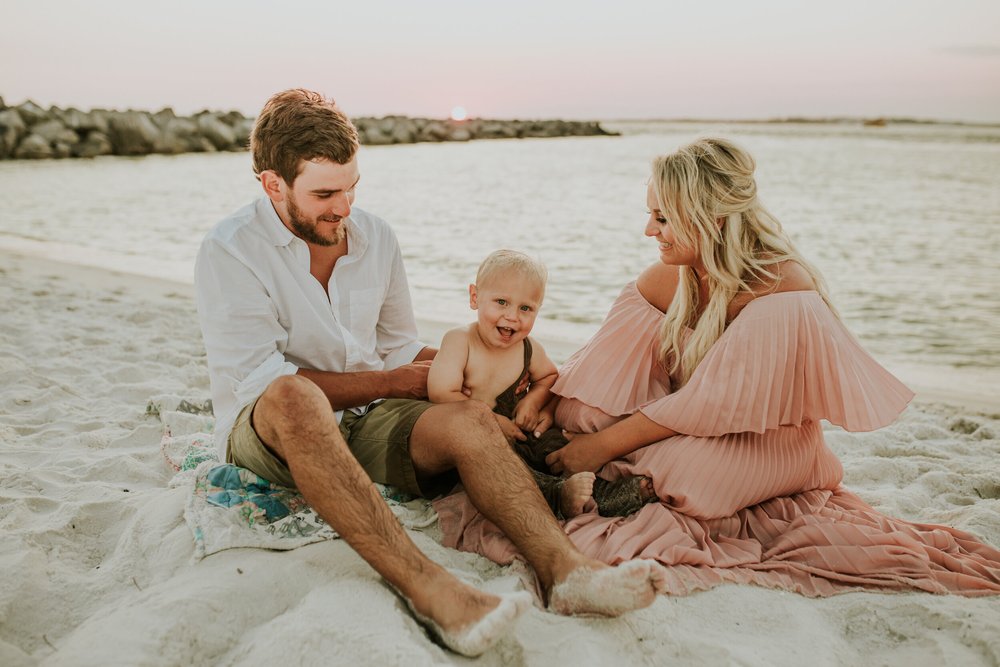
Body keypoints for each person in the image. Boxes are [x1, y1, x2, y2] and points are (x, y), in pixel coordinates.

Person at [193, 89, 668, 657]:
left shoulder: (376, 237)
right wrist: (395, 383)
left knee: (468, 416)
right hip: (271, 430)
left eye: (351, 189)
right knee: (294, 395)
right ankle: (435, 593)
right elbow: (263, 385)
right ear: (273, 185)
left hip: (369, 420)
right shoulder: (230, 250)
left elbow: (397, 350)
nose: (343, 209)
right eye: (324, 194)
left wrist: (488, 371)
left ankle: (566, 573)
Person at [436, 137, 1000, 597]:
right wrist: (549, 396)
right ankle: (619, 479)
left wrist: (601, 447)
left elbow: (714, 404)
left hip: (764, 443)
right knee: (586, 406)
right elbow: (603, 356)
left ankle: (624, 479)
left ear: (706, 217)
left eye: (662, 217)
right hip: (681, 422)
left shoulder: (781, 289)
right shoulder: (674, 275)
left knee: (686, 471)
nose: (649, 231)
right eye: (650, 215)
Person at [428, 249, 655, 519]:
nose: (512, 316)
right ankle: (557, 496)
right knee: (507, 467)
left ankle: (605, 492)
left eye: (525, 308)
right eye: (501, 302)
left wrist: (533, 400)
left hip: (519, 431)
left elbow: (549, 376)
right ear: (475, 297)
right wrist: (489, 420)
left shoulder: (527, 347)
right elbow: (440, 392)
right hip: (474, 437)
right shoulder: (461, 340)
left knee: (554, 445)